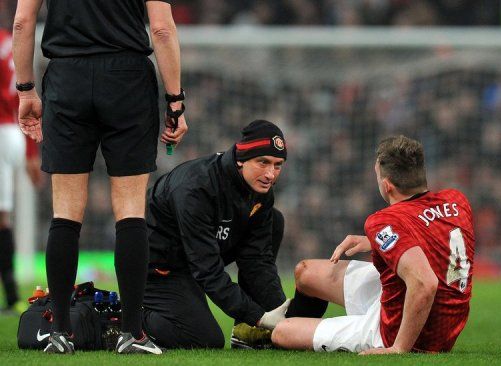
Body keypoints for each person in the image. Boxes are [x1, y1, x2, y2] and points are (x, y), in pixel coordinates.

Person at [12, 0, 187, 354]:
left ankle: (59, 332)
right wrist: (175, 100)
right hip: (127, 80)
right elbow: (162, 28)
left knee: (65, 212)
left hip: (66, 78)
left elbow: (21, 22)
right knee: (130, 209)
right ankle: (132, 334)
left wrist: (26, 89)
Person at [272, 135, 474, 354]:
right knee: (305, 272)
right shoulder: (456, 201)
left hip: (408, 332)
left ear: (387, 186)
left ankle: (351, 330)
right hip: (434, 314)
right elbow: (432, 231)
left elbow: (425, 283)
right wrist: (374, 241)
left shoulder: (384, 220)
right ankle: (341, 326)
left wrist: (398, 348)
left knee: (281, 332)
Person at [143, 120, 290, 349]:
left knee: (274, 222)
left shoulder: (261, 191)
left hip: (193, 260)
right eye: (263, 162)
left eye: (278, 165)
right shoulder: (196, 188)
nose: (271, 174)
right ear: (241, 159)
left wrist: (280, 314)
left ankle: (246, 332)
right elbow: (207, 270)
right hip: (159, 269)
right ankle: (126, 318)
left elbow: (257, 262)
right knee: (205, 340)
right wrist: (258, 315)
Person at [0, 16, 42, 315]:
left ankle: (12, 294)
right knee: (2, 216)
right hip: (12, 133)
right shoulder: (6, 41)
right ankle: (11, 293)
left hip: (2, 132)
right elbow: (19, 98)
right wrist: (29, 151)